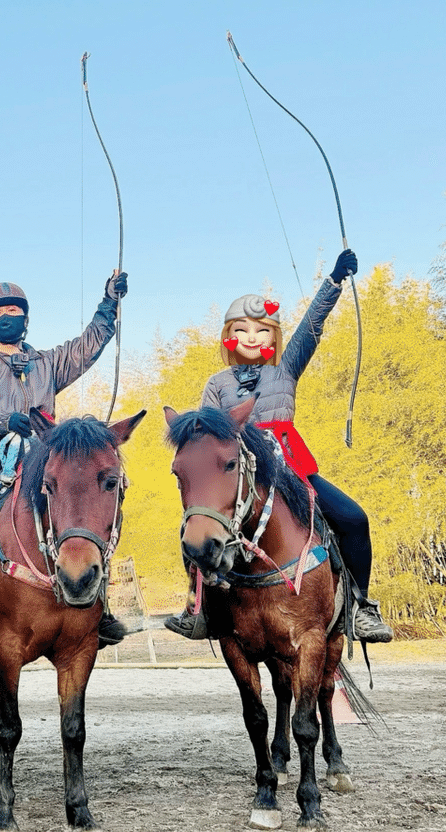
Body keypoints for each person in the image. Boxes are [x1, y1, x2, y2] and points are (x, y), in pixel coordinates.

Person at [165, 249, 393, 643]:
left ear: (272, 338)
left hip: (289, 469)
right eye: (242, 331)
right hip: (239, 476)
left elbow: (312, 325)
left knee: (354, 519)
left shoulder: (285, 368)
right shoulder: (217, 384)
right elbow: (206, 438)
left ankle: (361, 608)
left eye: (261, 331)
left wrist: (334, 282)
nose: (251, 338)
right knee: (197, 529)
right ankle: (198, 609)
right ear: (229, 338)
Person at [0, 271, 129, 643]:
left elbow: (87, 346)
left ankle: (100, 603)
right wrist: (5, 421)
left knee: (88, 514)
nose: (7, 316)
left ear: (26, 318)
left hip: (44, 458)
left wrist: (108, 305)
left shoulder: (47, 362)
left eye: (14, 309)